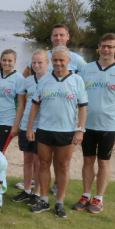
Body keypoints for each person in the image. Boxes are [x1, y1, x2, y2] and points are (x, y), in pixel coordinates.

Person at [75, 33, 115, 214]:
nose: (106, 49)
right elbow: (77, 95)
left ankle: (99, 198)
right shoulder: (86, 69)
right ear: (98, 47)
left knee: (103, 162)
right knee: (87, 160)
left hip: (108, 126)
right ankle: (86, 195)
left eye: (110, 46)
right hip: (87, 124)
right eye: (103, 45)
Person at [27, 46, 88, 218]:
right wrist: (30, 127)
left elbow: (83, 107)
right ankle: (44, 200)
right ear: (51, 61)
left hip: (67, 130)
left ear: (69, 61)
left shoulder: (77, 80)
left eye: (62, 60)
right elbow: (35, 105)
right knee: (44, 164)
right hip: (45, 129)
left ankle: (59, 202)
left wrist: (80, 130)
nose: (58, 63)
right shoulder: (44, 80)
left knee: (63, 166)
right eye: (55, 60)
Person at [12, 50, 48, 205]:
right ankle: (26, 190)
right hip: (27, 124)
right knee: (27, 159)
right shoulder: (27, 81)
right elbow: (23, 103)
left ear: (47, 63)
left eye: (40, 62)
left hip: (43, 126)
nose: (37, 65)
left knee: (39, 162)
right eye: (34, 63)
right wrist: (20, 124)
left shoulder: (50, 81)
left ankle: (37, 193)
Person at [0, 49, 26, 153]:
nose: (6, 63)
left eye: (10, 61)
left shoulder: (19, 79)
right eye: (4, 60)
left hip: (7, 120)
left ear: (15, 61)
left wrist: (16, 125)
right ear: (0, 60)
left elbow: (21, 105)